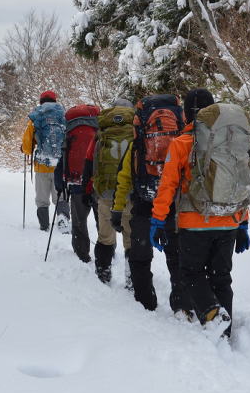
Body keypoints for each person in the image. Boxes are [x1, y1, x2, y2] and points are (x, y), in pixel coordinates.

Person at [150, 88, 250, 338]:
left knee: (191, 272)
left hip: (194, 223)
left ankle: (212, 314)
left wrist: (157, 219)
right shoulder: (233, 142)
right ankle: (224, 333)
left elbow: (168, 186)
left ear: (185, 115)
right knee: (221, 277)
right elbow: (241, 182)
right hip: (229, 221)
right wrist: (243, 224)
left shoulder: (182, 143)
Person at [111, 94, 191, 314]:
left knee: (140, 257)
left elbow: (125, 177)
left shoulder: (137, 144)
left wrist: (118, 209)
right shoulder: (182, 140)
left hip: (144, 203)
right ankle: (181, 303)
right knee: (176, 256)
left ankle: (145, 301)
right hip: (174, 203)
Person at [82, 98, 135, 284]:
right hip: (130, 193)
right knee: (130, 237)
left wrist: (87, 190)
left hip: (105, 194)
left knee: (105, 236)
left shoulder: (101, 133)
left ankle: (103, 273)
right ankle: (131, 277)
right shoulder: (136, 131)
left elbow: (89, 162)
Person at [54, 104, 100, 262]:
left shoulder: (70, 133)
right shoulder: (99, 130)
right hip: (97, 181)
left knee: (79, 220)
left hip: (77, 181)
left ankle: (82, 252)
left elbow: (63, 158)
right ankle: (106, 251)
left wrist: (59, 185)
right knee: (102, 219)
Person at [21, 90, 70, 231]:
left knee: (42, 199)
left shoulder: (36, 117)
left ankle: (44, 225)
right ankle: (63, 222)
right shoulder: (64, 116)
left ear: (41, 101)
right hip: (60, 165)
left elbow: (27, 145)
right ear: (55, 101)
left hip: (42, 165)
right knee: (61, 197)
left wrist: (25, 149)